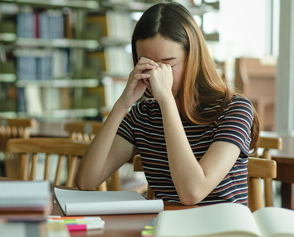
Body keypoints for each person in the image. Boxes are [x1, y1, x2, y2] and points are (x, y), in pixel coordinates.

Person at [76, 2, 260, 206]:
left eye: (167, 64)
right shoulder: (143, 116)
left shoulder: (235, 109)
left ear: (193, 57)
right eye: (148, 64)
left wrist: (166, 102)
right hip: (166, 230)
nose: (156, 75)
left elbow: (192, 192)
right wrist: (122, 104)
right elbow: (86, 182)